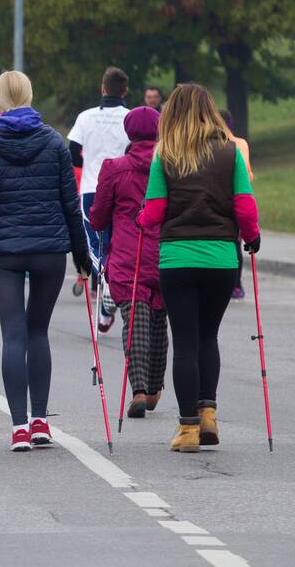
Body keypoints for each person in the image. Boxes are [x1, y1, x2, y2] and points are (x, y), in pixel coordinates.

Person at [0, 71, 90, 452]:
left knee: (13, 334)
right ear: (30, 95)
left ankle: (18, 425)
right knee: (38, 332)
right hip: (50, 248)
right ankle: (40, 421)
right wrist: (82, 255)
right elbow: (72, 203)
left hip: (5, 250)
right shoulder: (52, 142)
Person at [139, 83, 259, 453]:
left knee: (185, 343)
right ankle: (209, 415)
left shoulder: (166, 155)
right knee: (209, 337)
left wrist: (142, 220)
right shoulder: (230, 153)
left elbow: (155, 212)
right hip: (221, 258)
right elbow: (245, 206)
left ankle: (188, 428)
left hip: (177, 258)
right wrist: (251, 237)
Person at [89, 107, 167, 419]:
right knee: (159, 319)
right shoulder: (170, 166)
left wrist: (99, 219)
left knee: (134, 318)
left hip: (126, 253)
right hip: (163, 253)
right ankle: (154, 387)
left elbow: (98, 216)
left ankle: (138, 388)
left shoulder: (114, 167)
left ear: (129, 133)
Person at [68, 66, 131, 332]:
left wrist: (91, 162)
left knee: (94, 245)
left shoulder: (85, 117)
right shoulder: (130, 117)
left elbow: (72, 152)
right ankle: (106, 312)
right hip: (124, 188)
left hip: (93, 186)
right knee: (118, 244)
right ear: (124, 91)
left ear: (102, 89)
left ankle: (107, 283)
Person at [219, 109, 252, 301]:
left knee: (231, 243)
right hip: (236, 198)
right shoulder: (240, 144)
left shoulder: (235, 144)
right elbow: (248, 174)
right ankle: (235, 284)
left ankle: (234, 284)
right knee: (235, 244)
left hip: (224, 199)